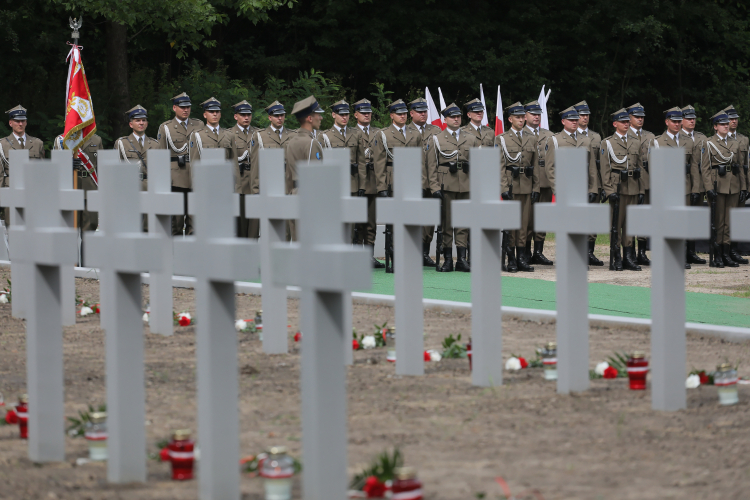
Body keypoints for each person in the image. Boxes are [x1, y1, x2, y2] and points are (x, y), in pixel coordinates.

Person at [371, 99, 424, 272]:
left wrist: (421, 184)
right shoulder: (383, 134)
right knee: (393, 223)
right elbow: (379, 163)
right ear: (392, 115)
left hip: (410, 181)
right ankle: (393, 255)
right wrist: (382, 187)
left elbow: (420, 161)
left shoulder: (415, 134)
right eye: (399, 113)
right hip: (392, 181)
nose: (402, 116)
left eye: (404, 113)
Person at [544, 105, 600, 266]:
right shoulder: (555, 140)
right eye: (571, 120)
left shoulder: (586, 140)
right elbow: (550, 167)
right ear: (563, 121)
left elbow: (591, 167)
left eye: (576, 119)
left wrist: (593, 188)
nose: (575, 122)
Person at [425, 103, 478, 272]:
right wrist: (434, 188)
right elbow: (431, 166)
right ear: (445, 119)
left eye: (458, 117)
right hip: (446, 185)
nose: (456, 119)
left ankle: (461, 259)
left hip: (467, 185)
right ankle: (448, 259)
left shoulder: (470, 138)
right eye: (452, 117)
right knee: (447, 224)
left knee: (463, 223)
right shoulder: (436, 139)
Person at [495, 102, 540, 273]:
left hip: (527, 186)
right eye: (518, 117)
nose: (521, 120)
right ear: (510, 119)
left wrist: (536, 188)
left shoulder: (531, 138)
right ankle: (511, 258)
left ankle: (522, 258)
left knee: (524, 224)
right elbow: (499, 166)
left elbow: (535, 165)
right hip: (511, 185)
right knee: (511, 224)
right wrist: (503, 188)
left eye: (522, 117)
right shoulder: (501, 139)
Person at [647, 107, 693, 268]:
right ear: (667, 122)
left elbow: (693, 167)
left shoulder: (688, 141)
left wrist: (695, 188)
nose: (677, 124)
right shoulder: (658, 142)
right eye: (674, 121)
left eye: (679, 121)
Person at [600, 108, 645, 271]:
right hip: (617, 188)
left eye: (627, 121)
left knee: (629, 225)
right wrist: (609, 191)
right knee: (616, 225)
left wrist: (641, 191)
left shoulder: (636, 141)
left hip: (633, 187)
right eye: (623, 122)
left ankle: (628, 257)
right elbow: (605, 170)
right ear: (615, 124)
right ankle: (616, 257)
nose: (626, 124)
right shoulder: (607, 143)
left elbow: (640, 168)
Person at [701, 110, 747, 267]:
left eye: (727, 124)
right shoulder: (708, 143)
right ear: (715, 127)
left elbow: (740, 167)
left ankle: (726, 253)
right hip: (717, 186)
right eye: (722, 124)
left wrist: (743, 187)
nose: (726, 126)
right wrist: (708, 188)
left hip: (733, 185)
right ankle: (718, 253)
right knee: (718, 222)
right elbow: (705, 169)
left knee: (729, 222)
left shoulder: (735, 143)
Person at [157, 92, 203, 235]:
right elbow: (161, 156)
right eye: (182, 107)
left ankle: (191, 254)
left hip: (196, 177)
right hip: (176, 179)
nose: (186, 110)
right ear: (174, 108)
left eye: (188, 107)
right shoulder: (166, 127)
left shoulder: (199, 124)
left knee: (194, 221)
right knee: (175, 222)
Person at [406, 97, 442, 266]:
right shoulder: (404, 131)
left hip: (432, 181)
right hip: (413, 181)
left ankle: (425, 253)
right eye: (419, 112)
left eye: (425, 111)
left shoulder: (436, 130)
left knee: (429, 219)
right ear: (411, 113)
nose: (423, 114)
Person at [320, 99, 361, 242]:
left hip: (352, 184)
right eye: (341, 114)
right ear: (333, 115)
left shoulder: (356, 134)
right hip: (334, 186)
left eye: (346, 114)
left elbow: (361, 160)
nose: (344, 117)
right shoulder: (325, 136)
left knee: (351, 223)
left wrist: (361, 185)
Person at [285, 95, 324, 241]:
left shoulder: (291, 142)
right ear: (309, 118)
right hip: (308, 197)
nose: (320, 118)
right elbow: (315, 177)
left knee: (297, 241)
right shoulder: (312, 144)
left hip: (294, 194)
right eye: (318, 114)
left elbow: (288, 175)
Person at [114, 105, 160, 231]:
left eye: (144, 120)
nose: (141, 123)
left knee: (149, 226)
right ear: (130, 124)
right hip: (130, 188)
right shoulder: (122, 143)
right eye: (138, 120)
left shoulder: (155, 144)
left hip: (150, 188)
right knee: (131, 225)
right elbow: (117, 170)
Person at [53, 125, 102, 233]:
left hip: (90, 188)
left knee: (90, 228)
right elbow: (55, 166)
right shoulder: (61, 139)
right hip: (70, 187)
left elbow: (100, 167)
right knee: (69, 228)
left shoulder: (96, 139)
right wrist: (67, 163)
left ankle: (87, 250)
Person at [2, 105, 45, 227]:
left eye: (23, 121)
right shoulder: (2, 144)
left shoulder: (37, 143)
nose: (20, 124)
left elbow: (41, 172)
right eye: (17, 121)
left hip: (33, 193)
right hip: (12, 192)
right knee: (13, 228)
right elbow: (0, 173)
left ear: (26, 122)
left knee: (34, 227)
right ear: (10, 123)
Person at [353, 98, 384, 268]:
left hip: (373, 180)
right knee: (358, 221)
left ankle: (369, 255)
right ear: (356, 114)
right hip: (357, 180)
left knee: (371, 222)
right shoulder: (351, 132)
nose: (367, 115)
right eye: (363, 112)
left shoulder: (379, 133)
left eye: (369, 112)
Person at [523, 100, 554, 265]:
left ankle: (538, 252)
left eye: (538, 114)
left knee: (543, 218)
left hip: (545, 181)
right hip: (527, 182)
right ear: (525, 115)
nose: (536, 117)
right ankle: (526, 251)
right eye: (533, 114)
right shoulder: (521, 133)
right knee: (527, 218)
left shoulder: (549, 135)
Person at [575, 100, 605, 265]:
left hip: (594, 182)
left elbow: (599, 163)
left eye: (587, 115)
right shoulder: (570, 136)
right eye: (582, 115)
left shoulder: (595, 136)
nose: (585, 118)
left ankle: (589, 252)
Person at [628, 102, 655, 266]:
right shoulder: (624, 135)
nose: (640, 120)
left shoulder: (650, 137)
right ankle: (629, 252)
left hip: (647, 180)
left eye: (642, 117)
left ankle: (642, 252)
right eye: (637, 117)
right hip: (631, 181)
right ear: (629, 118)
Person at [681, 105, 708, 265]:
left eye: (693, 118)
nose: (692, 121)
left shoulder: (702, 138)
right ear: (682, 120)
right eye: (688, 118)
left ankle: (691, 251)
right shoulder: (677, 138)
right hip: (684, 184)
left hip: (699, 183)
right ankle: (682, 252)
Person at [231, 100, 259, 238]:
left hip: (255, 183)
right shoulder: (229, 134)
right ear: (236, 116)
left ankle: (253, 254)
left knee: (254, 224)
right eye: (243, 115)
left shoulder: (259, 134)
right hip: (240, 183)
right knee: (241, 225)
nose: (246, 117)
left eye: (248, 114)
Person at [725, 104, 749, 261]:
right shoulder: (719, 139)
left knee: (737, 218)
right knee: (726, 218)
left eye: (735, 119)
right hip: (726, 184)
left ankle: (735, 249)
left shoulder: (744, 139)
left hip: (741, 182)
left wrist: (747, 185)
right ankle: (725, 250)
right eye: (731, 119)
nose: (734, 121)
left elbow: (747, 164)